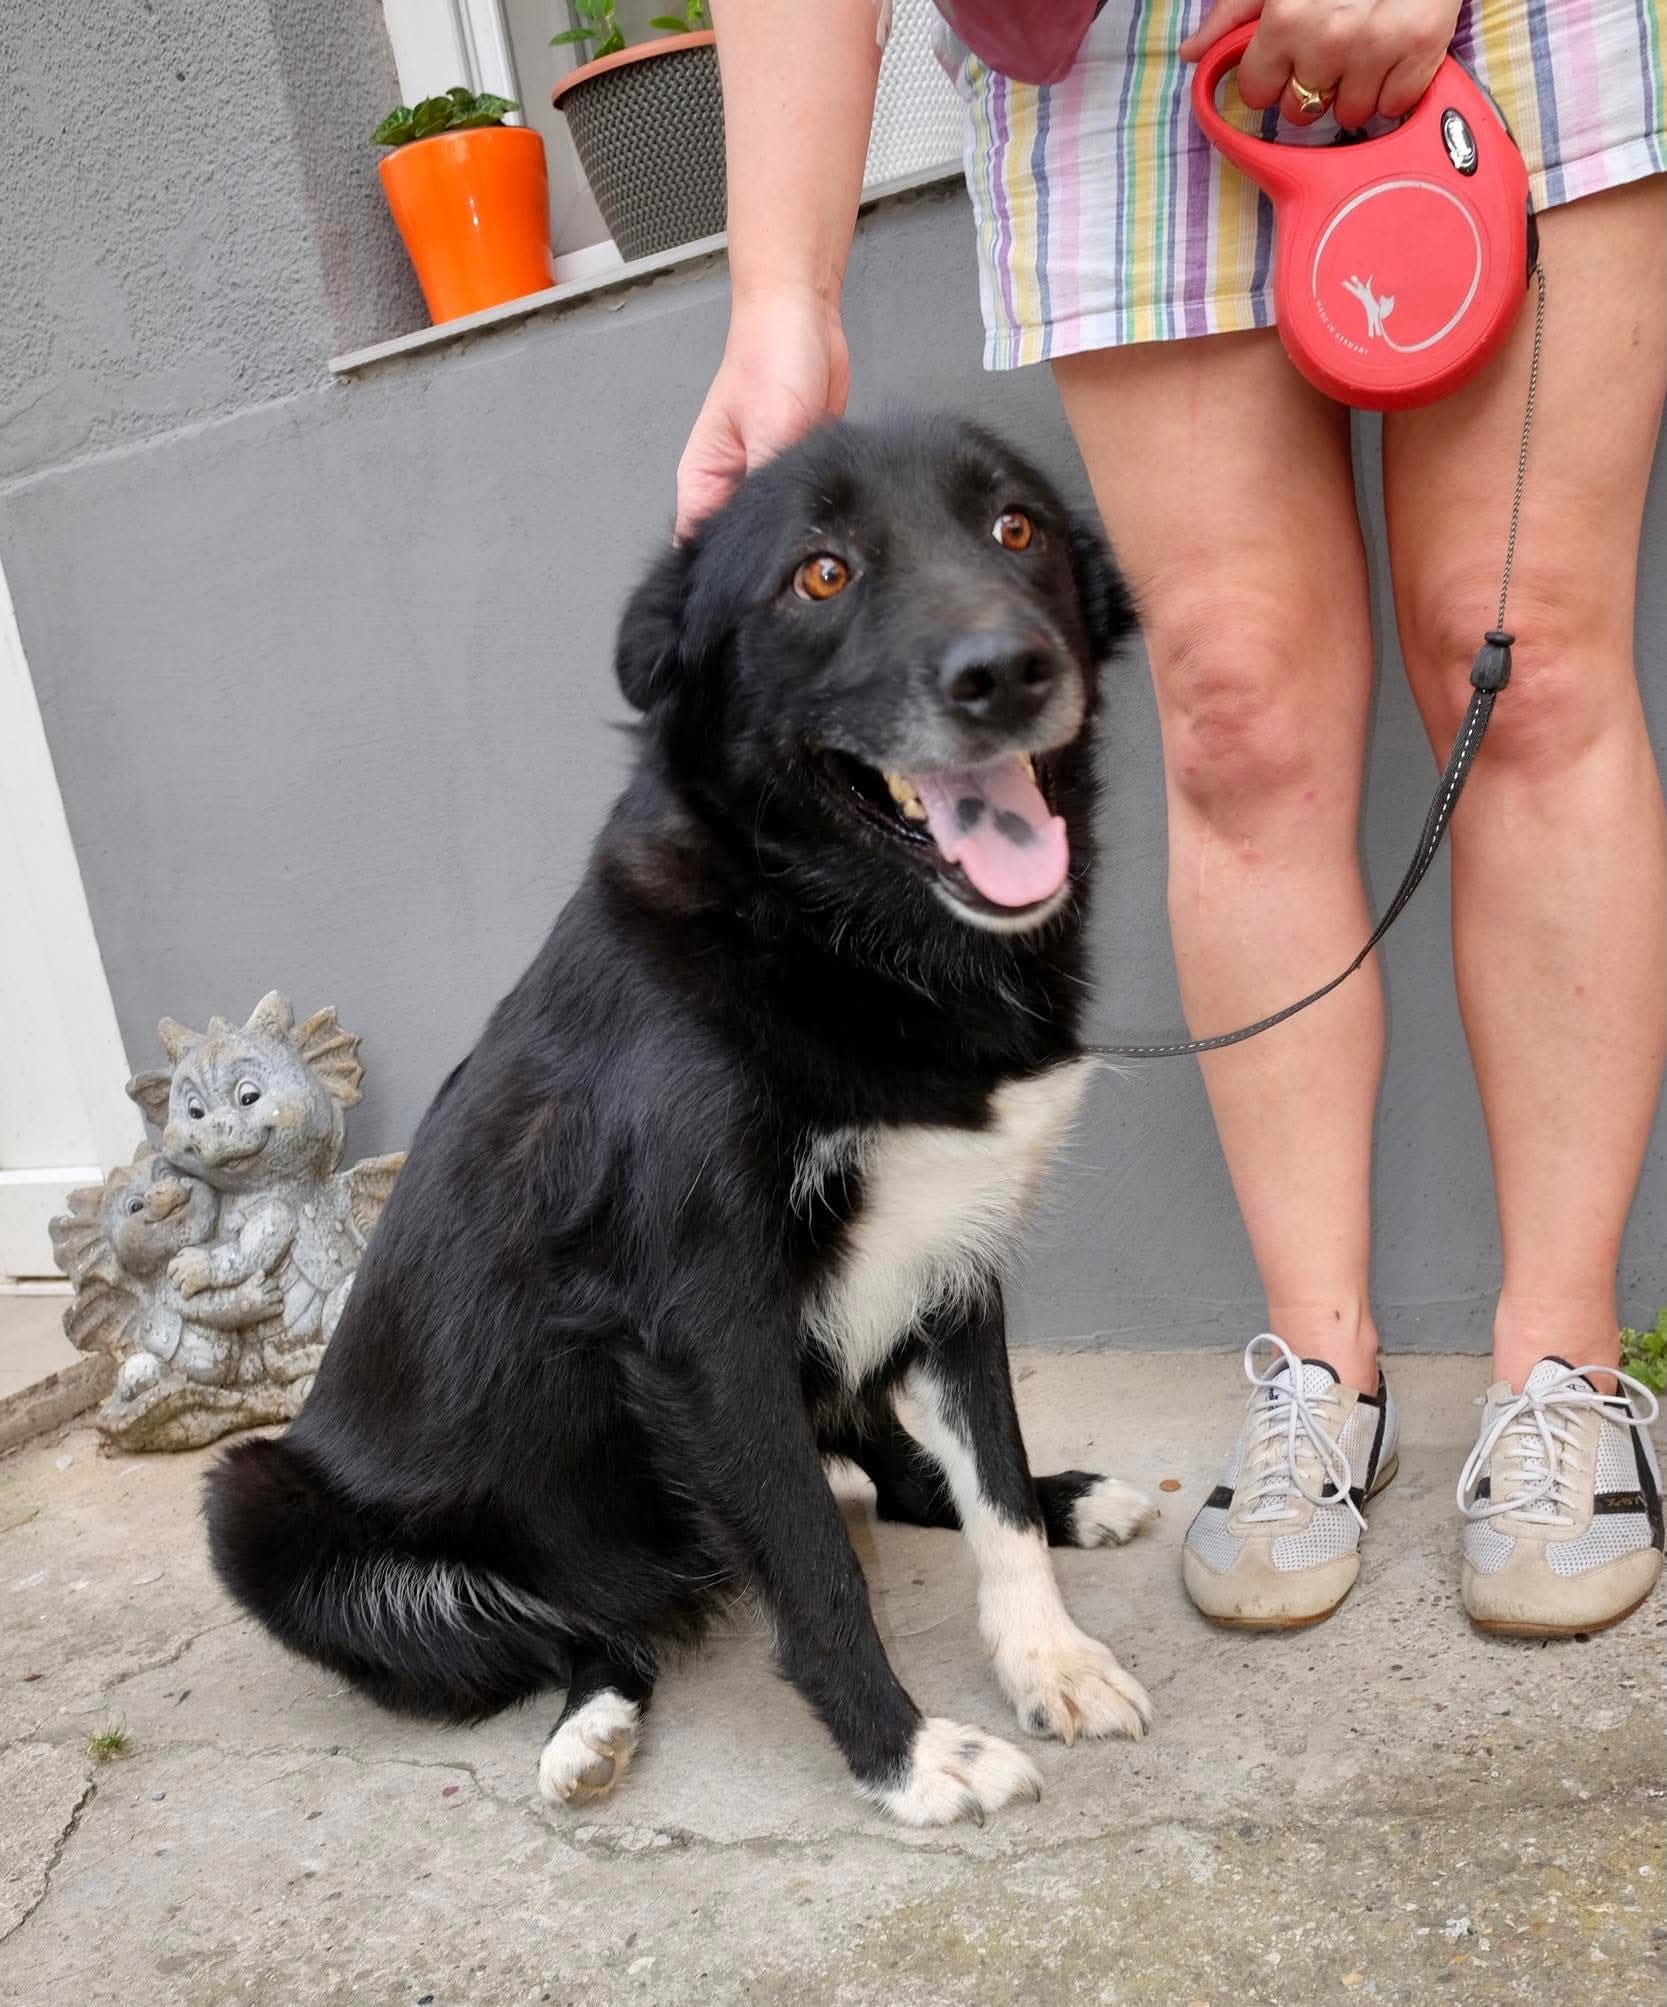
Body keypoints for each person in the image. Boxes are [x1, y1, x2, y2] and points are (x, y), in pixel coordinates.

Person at [676, 0, 1667, 1636]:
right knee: (1235, 720)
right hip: (1120, 60)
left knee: (1526, 663)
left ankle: (1562, 1367)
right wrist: (783, 290)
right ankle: (1321, 1372)